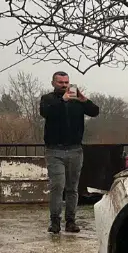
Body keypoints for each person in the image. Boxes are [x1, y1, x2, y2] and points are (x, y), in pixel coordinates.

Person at [40, 71, 100, 234]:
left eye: (66, 82)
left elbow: (95, 111)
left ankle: (71, 221)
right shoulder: (48, 99)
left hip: (75, 150)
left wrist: (84, 100)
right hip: (55, 151)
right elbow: (46, 113)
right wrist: (63, 100)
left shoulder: (77, 101)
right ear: (53, 83)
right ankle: (55, 221)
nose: (64, 85)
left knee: (73, 188)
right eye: (60, 82)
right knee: (57, 186)